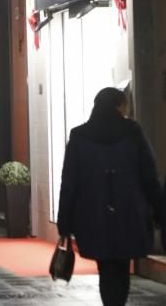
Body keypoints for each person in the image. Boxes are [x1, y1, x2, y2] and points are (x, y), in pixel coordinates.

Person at [57, 87, 163, 306]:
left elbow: (69, 183)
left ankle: (110, 302)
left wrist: (64, 222)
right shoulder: (133, 132)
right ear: (119, 106)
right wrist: (160, 211)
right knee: (122, 266)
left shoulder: (79, 136)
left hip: (92, 215)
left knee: (105, 267)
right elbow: (149, 177)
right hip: (129, 213)